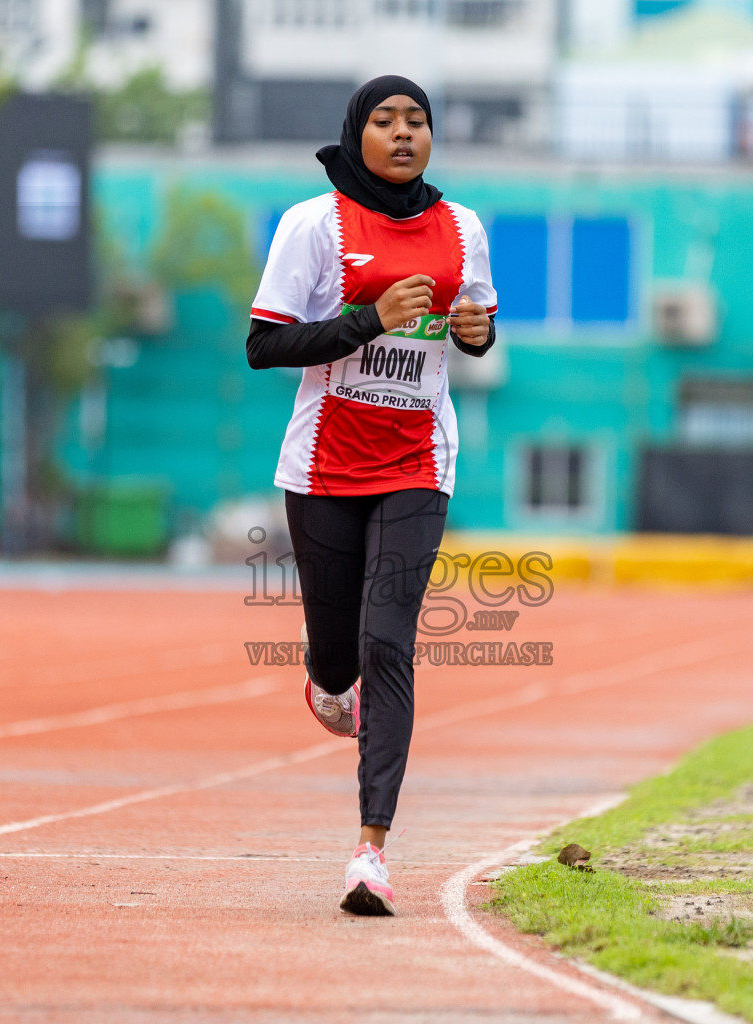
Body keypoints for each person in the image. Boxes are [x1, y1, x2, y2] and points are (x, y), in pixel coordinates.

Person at [245, 76, 497, 916]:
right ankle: (326, 682)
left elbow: (479, 323)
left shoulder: (462, 228)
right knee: (338, 660)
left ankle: (370, 853)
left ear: (433, 135)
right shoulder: (311, 226)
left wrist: (476, 333)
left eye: (416, 121)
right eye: (384, 121)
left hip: (419, 463)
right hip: (322, 469)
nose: (401, 134)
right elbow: (263, 345)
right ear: (356, 134)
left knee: (389, 641)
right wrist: (369, 317)